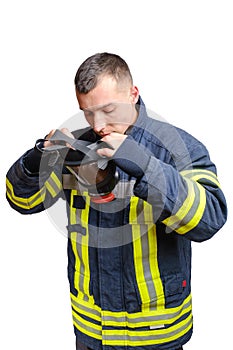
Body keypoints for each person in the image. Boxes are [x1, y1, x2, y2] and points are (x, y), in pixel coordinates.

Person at [6, 52, 227, 350]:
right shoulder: (80, 149)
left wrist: (147, 167)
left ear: (133, 94)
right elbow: (22, 201)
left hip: (156, 336)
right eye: (88, 112)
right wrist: (36, 159)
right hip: (91, 333)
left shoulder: (177, 147)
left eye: (109, 109)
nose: (98, 124)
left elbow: (210, 219)